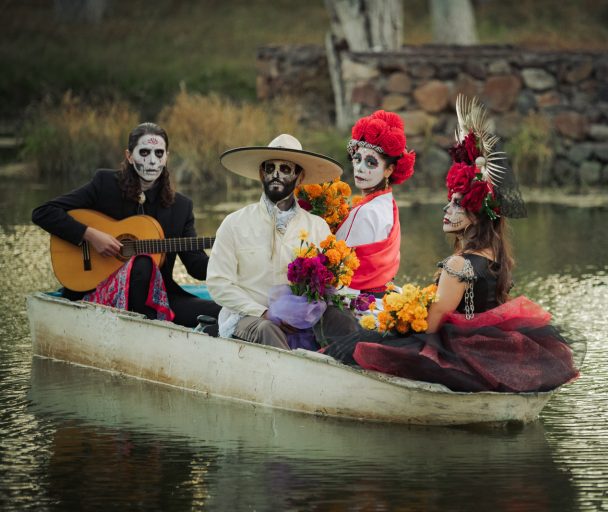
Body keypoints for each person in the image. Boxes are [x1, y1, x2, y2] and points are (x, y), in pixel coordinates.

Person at [324, 96, 583, 393]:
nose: (447, 210)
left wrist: (399, 316)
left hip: (446, 344)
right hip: (471, 340)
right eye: (450, 202)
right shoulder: (494, 254)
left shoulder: (458, 265)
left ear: (475, 214)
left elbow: (430, 324)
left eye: (457, 205)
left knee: (354, 344)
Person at [31, 122, 221, 328]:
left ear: (167, 156)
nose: (152, 160)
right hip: (98, 292)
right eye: (144, 152)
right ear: (129, 156)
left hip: (157, 299)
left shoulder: (180, 206)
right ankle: (149, 329)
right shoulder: (105, 185)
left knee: (221, 313)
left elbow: (196, 266)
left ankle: (151, 325)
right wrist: (90, 235)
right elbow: (43, 212)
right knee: (143, 263)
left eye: (159, 153)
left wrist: (228, 255)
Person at [207, 134, 352, 349]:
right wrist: (264, 313)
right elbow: (218, 283)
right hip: (249, 317)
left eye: (285, 169)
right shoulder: (234, 223)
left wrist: (310, 310)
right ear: (260, 173)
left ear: (299, 177)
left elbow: (332, 283)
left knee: (342, 319)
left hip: (301, 320)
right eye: (269, 168)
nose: (276, 174)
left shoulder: (317, 227)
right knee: (268, 329)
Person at [334, 110, 416, 297]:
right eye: (357, 159)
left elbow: (337, 270)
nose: (360, 168)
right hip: (379, 299)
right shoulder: (388, 203)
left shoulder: (366, 212)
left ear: (389, 170)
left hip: (360, 304)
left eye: (371, 162)